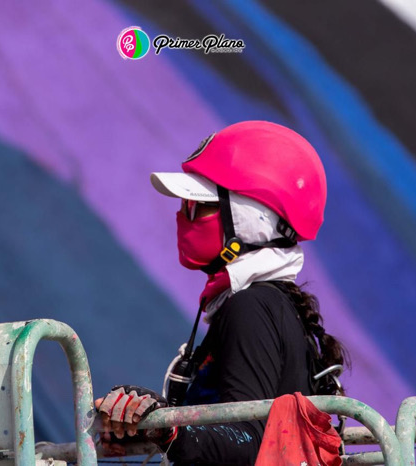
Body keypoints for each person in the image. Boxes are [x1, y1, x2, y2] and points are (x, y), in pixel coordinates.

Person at [96, 121, 349, 465]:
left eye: (196, 205)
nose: (183, 216)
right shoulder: (268, 304)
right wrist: (144, 425)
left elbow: (248, 443)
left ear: (252, 218)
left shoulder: (252, 307)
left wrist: (165, 426)